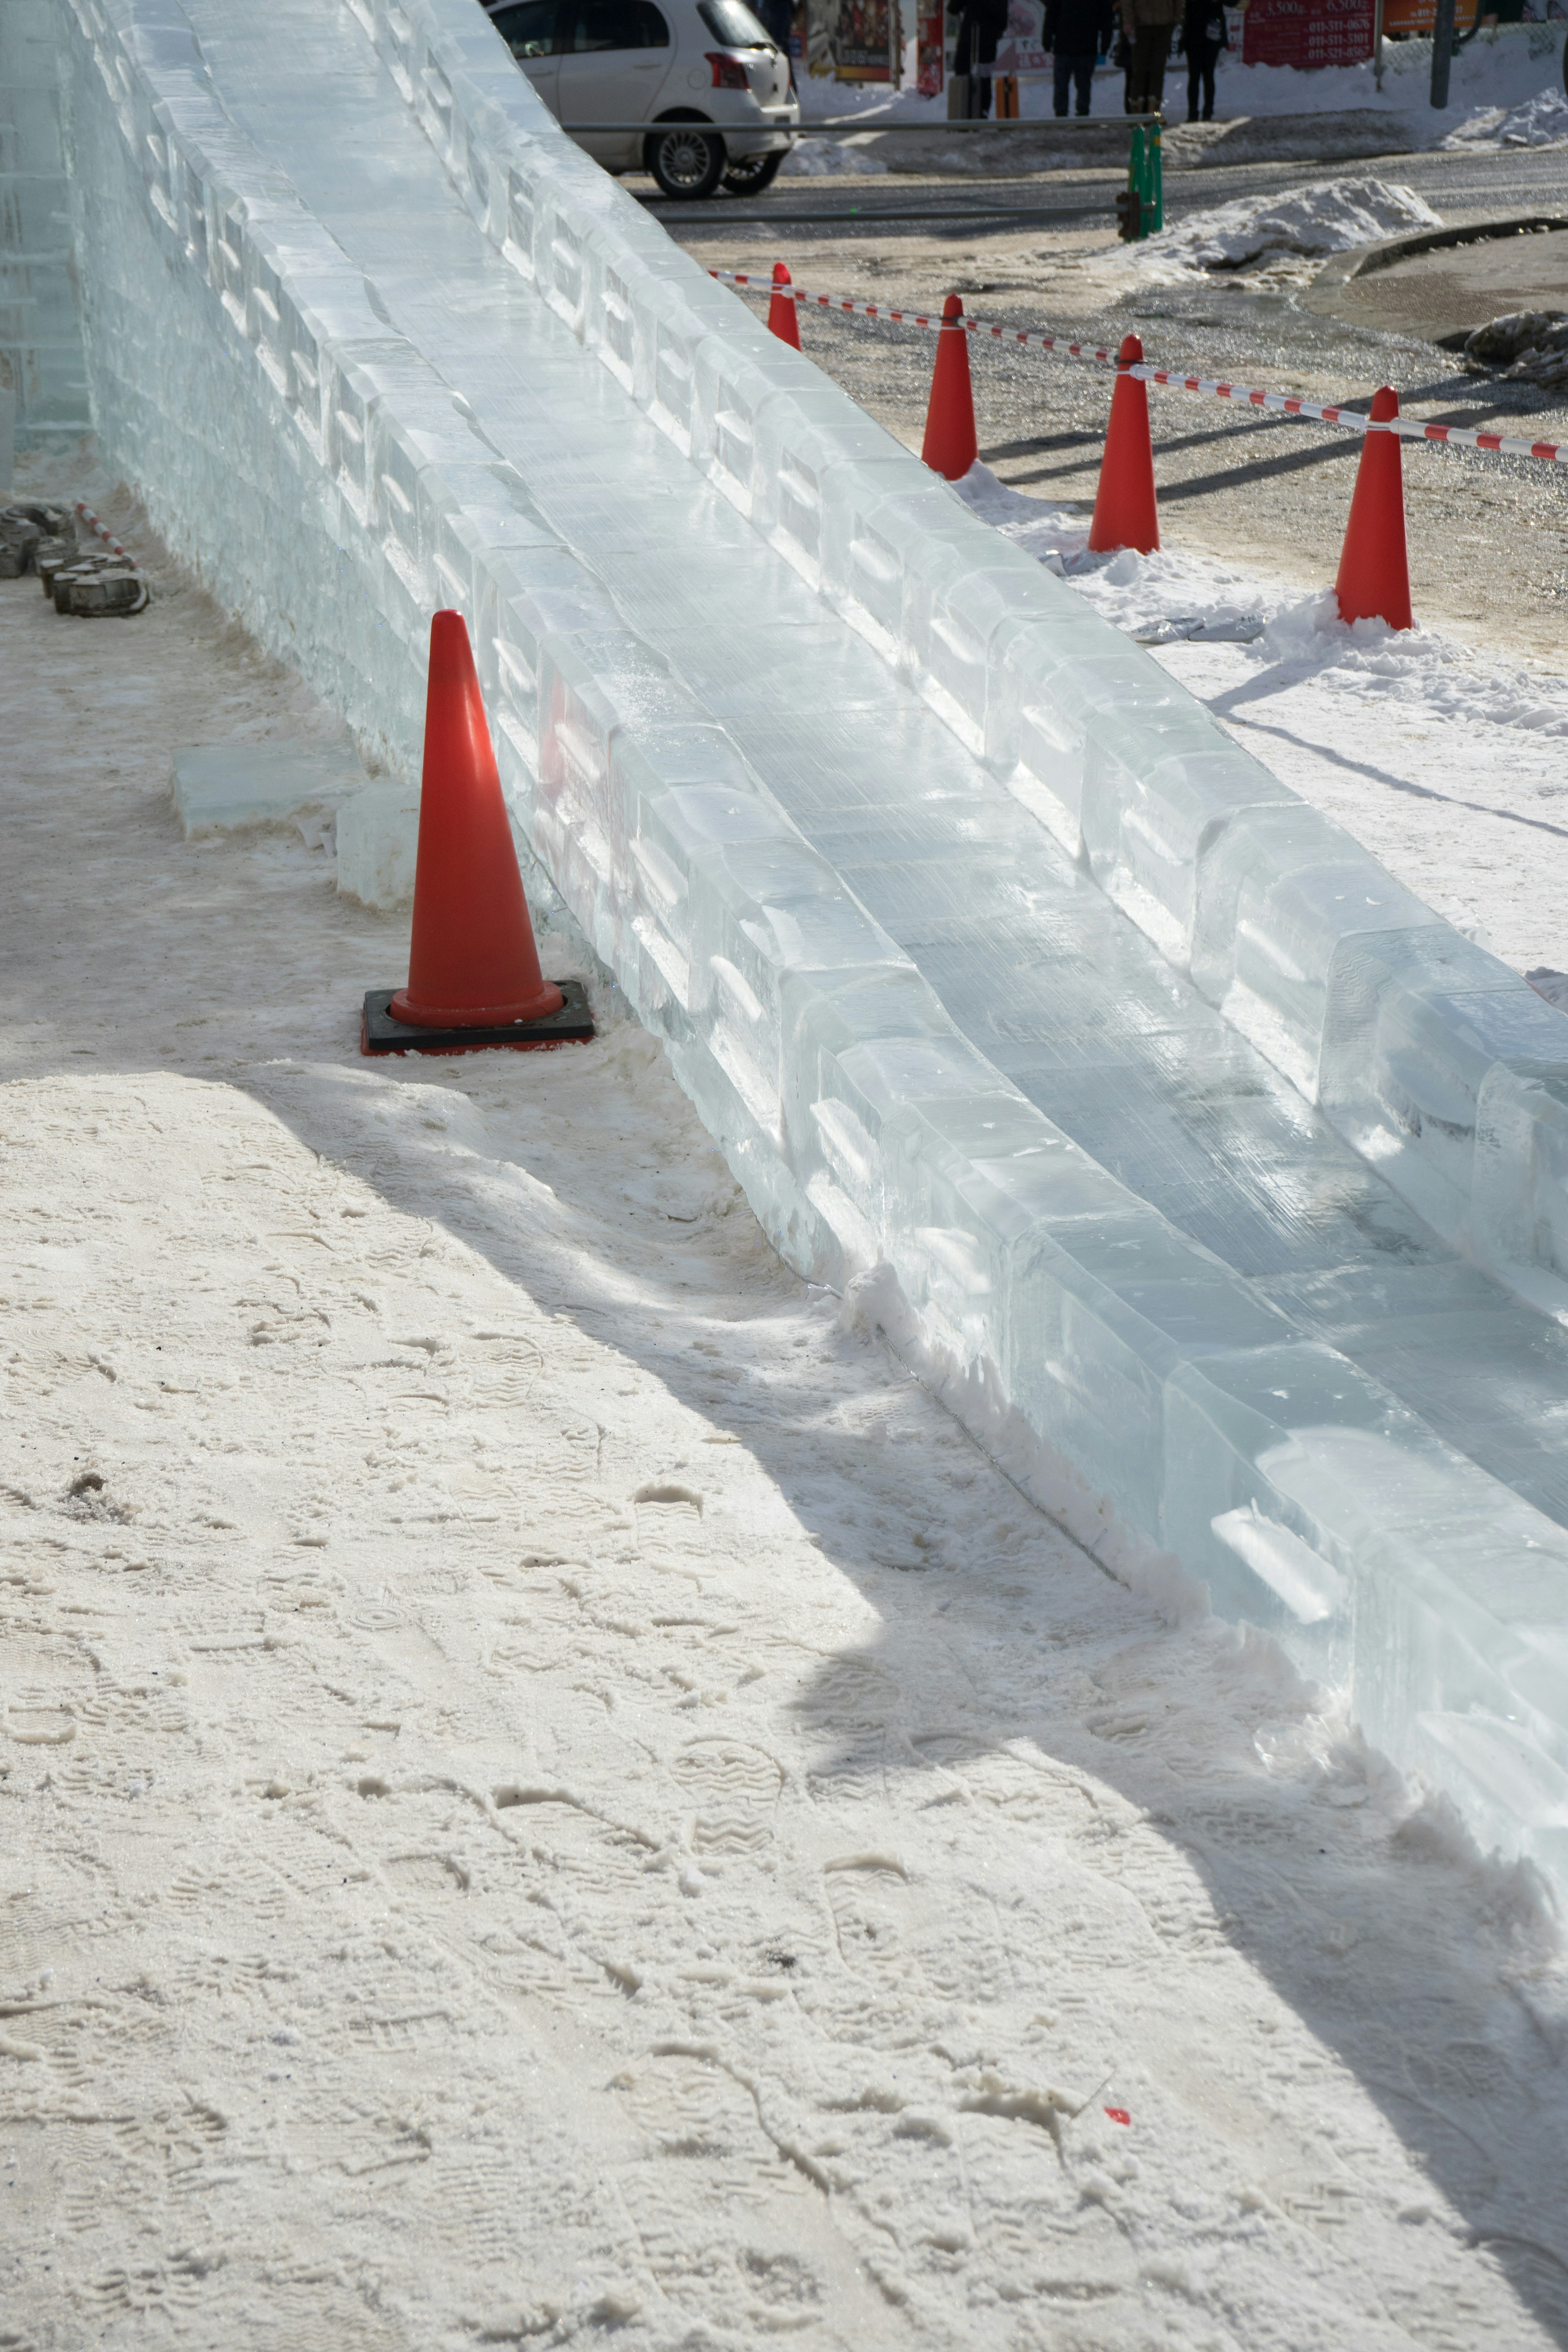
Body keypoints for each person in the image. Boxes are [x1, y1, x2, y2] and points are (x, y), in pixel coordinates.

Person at [1045, 0, 1113, 113]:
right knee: (1081, 85)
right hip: (1082, 46)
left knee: (1075, 85)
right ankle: (1076, 113)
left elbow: (1051, 15)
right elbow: (1106, 18)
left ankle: (1068, 113)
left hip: (1073, 46)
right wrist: (1106, 43)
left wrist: (1047, 39)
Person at [1120, 0, 1181, 111]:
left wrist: (1177, 17)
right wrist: (1128, 20)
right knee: (1139, 71)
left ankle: (1155, 113)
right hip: (1141, 23)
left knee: (1158, 70)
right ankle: (1137, 113)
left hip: (1165, 23)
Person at [953, 0, 1012, 115]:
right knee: (984, 77)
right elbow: (1002, 22)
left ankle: (963, 112)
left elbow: (953, 8)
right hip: (988, 40)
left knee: (963, 76)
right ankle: (982, 112)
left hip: (969, 38)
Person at [1178, 0, 1226, 120]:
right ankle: (1193, 113)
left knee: (1208, 75)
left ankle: (1208, 113)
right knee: (1195, 75)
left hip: (1211, 31)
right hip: (1193, 31)